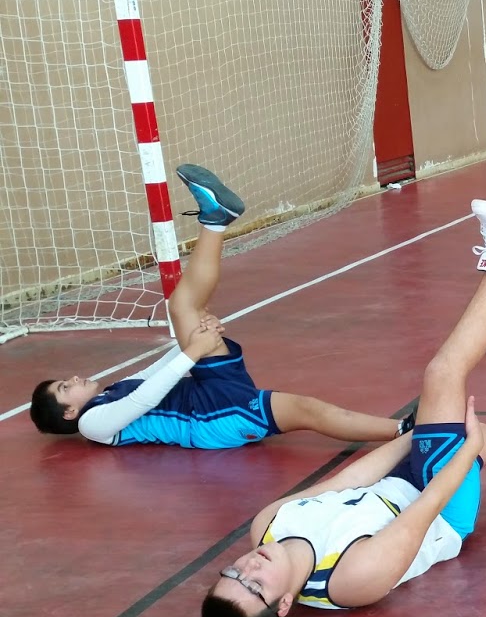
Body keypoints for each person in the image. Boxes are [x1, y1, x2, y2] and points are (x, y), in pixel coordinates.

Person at [201, 200, 486, 617]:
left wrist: (411, 436)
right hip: (439, 510)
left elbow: (346, 481)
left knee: (483, 438)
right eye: (255, 586)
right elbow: (427, 509)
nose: (249, 567)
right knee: (442, 375)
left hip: (393, 486)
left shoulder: (267, 524)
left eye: (233, 573)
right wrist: (464, 449)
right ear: (284, 604)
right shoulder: (350, 579)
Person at [30, 164, 408, 449]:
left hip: (207, 391)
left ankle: (215, 221)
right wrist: (194, 349)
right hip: (210, 419)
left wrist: (198, 339)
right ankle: (403, 431)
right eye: (65, 387)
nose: (74, 378)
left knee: (185, 309)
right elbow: (147, 397)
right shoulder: (91, 426)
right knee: (309, 410)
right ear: (68, 413)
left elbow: (151, 374)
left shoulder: (107, 394)